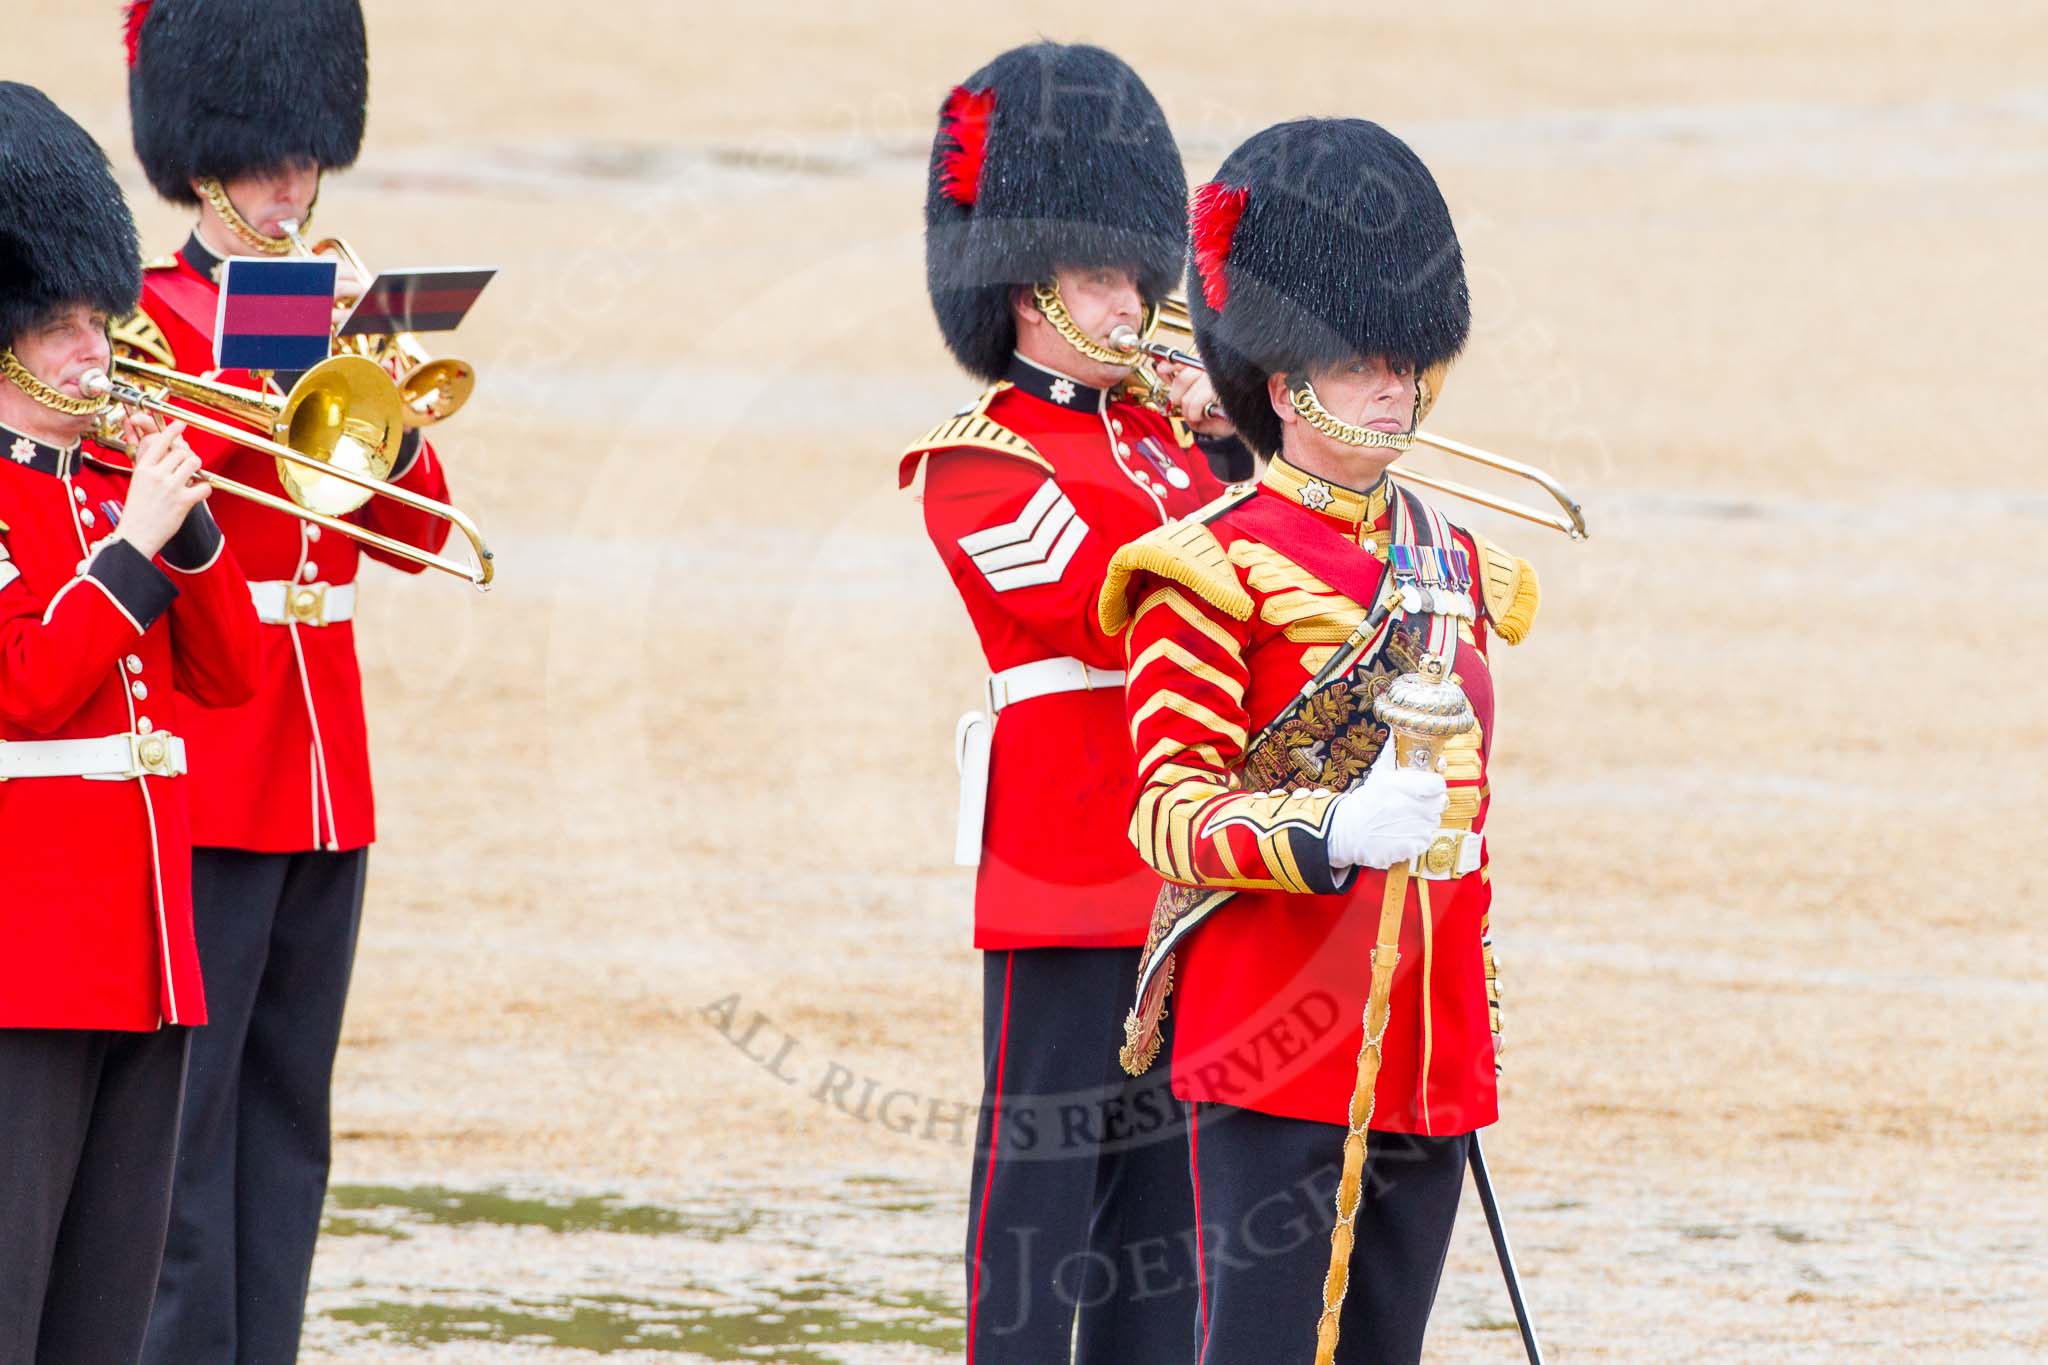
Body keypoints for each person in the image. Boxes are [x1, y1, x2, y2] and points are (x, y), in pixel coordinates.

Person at [1097, 118, 1543, 1364]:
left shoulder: (1452, 560)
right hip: (1276, 1025)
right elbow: (1167, 812)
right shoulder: (1209, 565)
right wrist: (1330, 828)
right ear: (1283, 379)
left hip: (1426, 1017)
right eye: (1362, 366)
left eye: (1408, 363)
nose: (1396, 388)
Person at [122, 4, 458, 1361]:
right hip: (213, 745)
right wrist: (275, 377)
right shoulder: (149, 318)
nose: (287, 183)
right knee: (186, 1137)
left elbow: (424, 537)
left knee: (288, 1120)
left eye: (305, 158)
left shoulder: (348, 316)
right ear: (200, 159)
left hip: (325, 762)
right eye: (263, 160)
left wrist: (385, 403)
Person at [899, 40, 1242, 1363]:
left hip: (1186, 861)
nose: (1136, 303)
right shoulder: (973, 461)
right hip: (1062, 862)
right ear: (1027, 284)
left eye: (1140, 274)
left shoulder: (1177, 439)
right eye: (1105, 277)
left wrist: (1237, 433)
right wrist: (1237, 473)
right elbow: (1110, 594)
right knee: (1039, 1213)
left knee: (1168, 1222)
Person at [0, 80, 258, 1365]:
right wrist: (134, 548)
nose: (93, 349)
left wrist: (190, 521)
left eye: (97, 317)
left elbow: (229, 677)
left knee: (103, 1313)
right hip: (24, 956)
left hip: (144, 954)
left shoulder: (109, 485)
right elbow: (32, 686)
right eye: (56, 327)